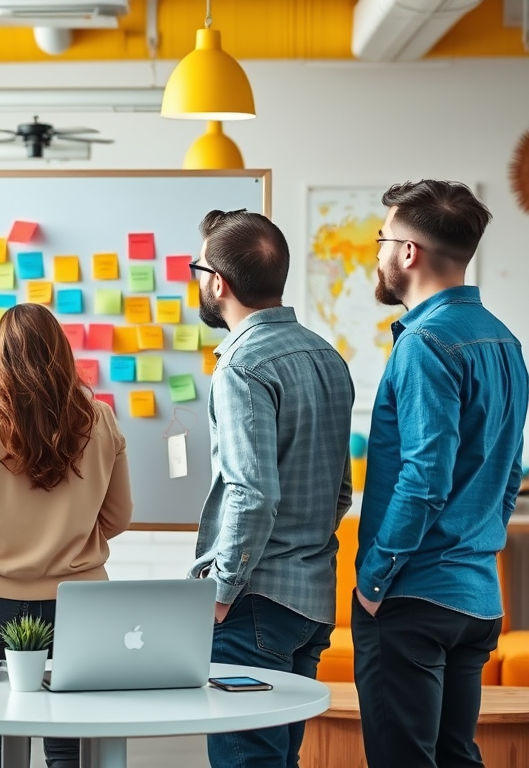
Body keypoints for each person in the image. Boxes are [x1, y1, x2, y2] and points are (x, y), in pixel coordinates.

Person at [354, 180, 529, 768]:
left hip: (411, 596)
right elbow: (510, 470)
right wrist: (479, 544)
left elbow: (425, 478)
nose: (377, 254)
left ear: (408, 252)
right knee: (456, 757)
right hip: (476, 597)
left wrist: (374, 579)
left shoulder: (424, 344)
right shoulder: (505, 342)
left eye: (382, 239)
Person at [188, 209, 355, 768]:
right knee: (279, 758)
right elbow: (339, 493)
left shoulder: (241, 366)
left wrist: (220, 591)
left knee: (247, 761)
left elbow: (250, 494)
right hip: (311, 600)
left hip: (253, 603)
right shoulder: (327, 357)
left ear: (218, 281)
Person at [0, 302, 133, 768]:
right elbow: (119, 516)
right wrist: (78, 538)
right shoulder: (100, 419)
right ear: (60, 352)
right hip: (81, 604)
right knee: (67, 747)